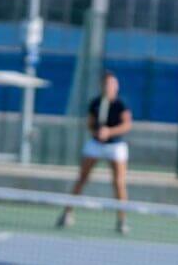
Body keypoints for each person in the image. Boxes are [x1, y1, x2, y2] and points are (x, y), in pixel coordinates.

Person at [57, 70, 133, 234]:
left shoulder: (121, 104)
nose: (109, 87)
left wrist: (109, 132)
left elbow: (127, 125)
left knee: (119, 183)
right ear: (102, 86)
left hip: (116, 146)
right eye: (106, 84)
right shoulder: (95, 103)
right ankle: (67, 213)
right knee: (82, 178)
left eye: (112, 84)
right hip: (96, 145)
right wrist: (96, 132)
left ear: (116, 86)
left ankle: (122, 220)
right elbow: (90, 123)